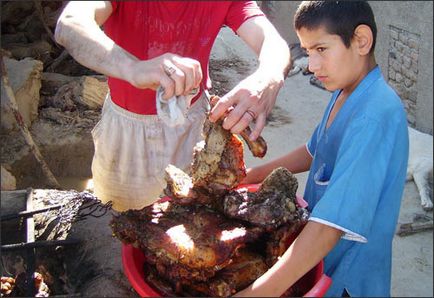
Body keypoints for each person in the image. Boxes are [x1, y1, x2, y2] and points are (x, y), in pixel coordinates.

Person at [235, 1, 409, 297]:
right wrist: (252, 175)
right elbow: (316, 150)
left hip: (348, 275)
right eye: (306, 51)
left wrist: (255, 294)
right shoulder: (346, 91)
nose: (312, 66)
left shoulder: (374, 116)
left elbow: (330, 228)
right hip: (319, 258)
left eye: (321, 50)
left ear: (361, 41)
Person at [54, 1, 290, 211]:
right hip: (127, 130)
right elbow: (70, 24)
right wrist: (134, 68)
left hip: (194, 129)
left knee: (194, 220)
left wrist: (269, 76)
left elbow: (270, 41)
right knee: (118, 217)